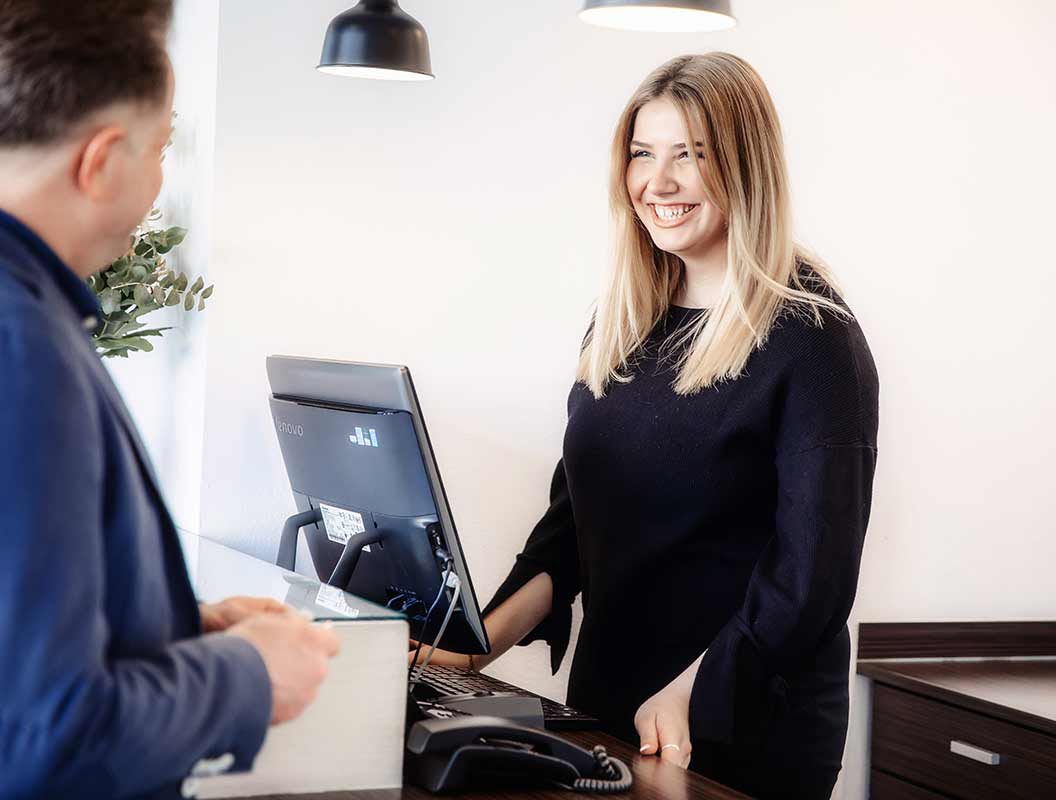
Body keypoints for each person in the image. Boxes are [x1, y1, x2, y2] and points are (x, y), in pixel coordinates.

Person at [414, 52, 879, 799]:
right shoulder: (627, 320)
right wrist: (476, 647)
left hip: (735, 722)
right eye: (641, 154)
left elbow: (812, 577)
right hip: (607, 703)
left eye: (689, 156)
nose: (657, 184)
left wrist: (691, 690)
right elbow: (574, 527)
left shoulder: (811, 338)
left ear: (745, 166)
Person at [0, 2, 339, 797]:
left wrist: (170, 628)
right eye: (162, 150)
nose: (160, 182)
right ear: (103, 160)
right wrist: (246, 674)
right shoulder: (24, 347)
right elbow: (43, 738)